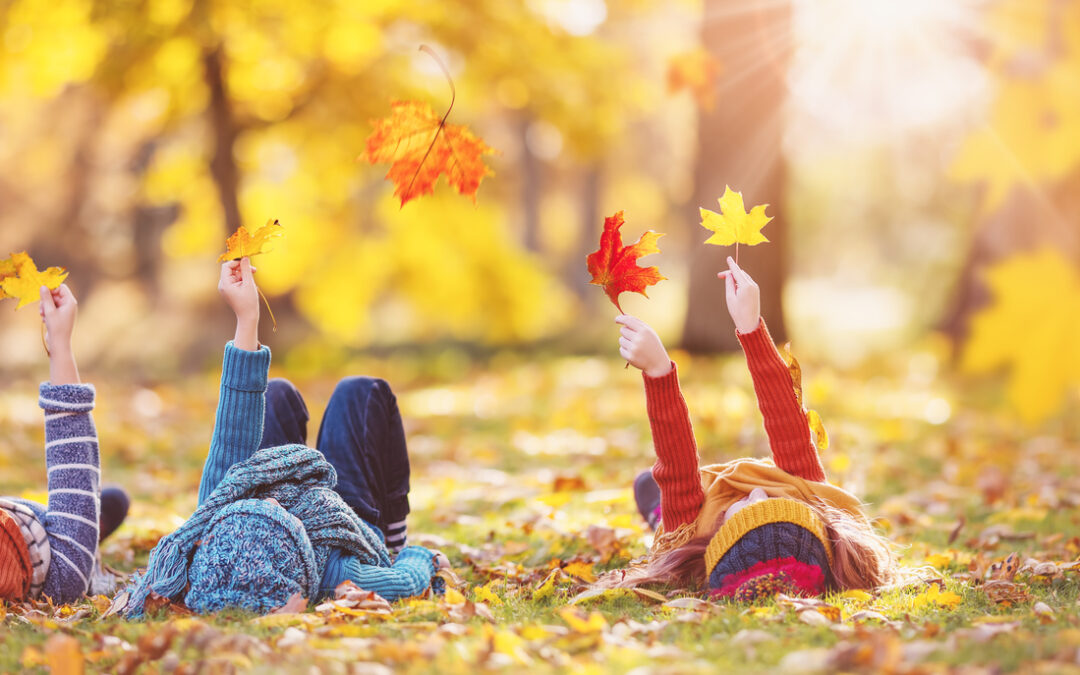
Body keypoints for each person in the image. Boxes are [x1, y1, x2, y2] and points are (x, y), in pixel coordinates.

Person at [121, 259, 446, 617]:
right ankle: (391, 536)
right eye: (276, 517)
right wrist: (420, 557)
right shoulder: (334, 574)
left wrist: (247, 320)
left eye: (259, 508)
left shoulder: (216, 519)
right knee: (361, 392)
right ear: (292, 554)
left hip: (268, 519)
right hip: (343, 531)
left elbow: (234, 431)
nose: (273, 502)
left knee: (273, 395)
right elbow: (406, 582)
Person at [604, 257, 894, 601]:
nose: (758, 493)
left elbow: (677, 466)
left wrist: (658, 371)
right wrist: (751, 326)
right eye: (772, 503)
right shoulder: (811, 500)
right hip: (750, 506)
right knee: (665, 493)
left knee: (664, 506)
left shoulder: (694, 535)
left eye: (748, 511)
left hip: (694, 521)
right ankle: (658, 504)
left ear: (722, 536)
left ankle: (656, 512)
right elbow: (787, 425)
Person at [0, 284, 129, 604]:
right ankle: (90, 539)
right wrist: (60, 348)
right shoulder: (55, 574)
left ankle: (90, 532)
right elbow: (72, 462)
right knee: (95, 518)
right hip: (55, 548)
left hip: (46, 537)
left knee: (106, 505)